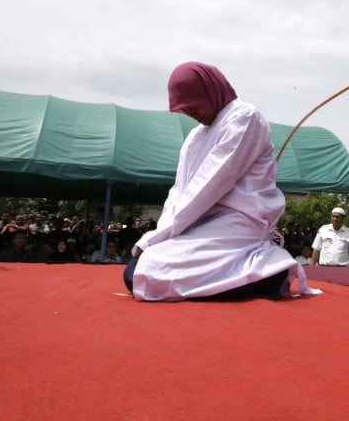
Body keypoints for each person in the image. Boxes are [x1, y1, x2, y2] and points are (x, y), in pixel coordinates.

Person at [124, 62, 300, 300]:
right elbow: (179, 191)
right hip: (200, 222)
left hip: (240, 223)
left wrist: (156, 238)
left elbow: (209, 185)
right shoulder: (195, 137)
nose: (190, 114)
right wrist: (158, 235)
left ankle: (270, 274)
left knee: (144, 273)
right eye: (184, 110)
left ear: (208, 91)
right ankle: (253, 274)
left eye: (193, 105)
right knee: (141, 268)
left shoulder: (244, 118)